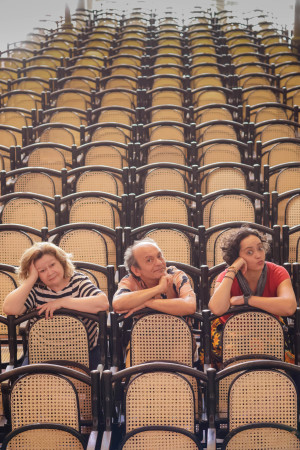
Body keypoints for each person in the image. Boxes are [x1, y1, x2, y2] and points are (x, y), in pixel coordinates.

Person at [3, 242, 109, 370]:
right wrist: (31, 279)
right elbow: (9, 308)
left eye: (52, 265)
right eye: (42, 270)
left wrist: (62, 302)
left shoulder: (78, 281)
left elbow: (103, 303)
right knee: (24, 387)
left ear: (62, 262)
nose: (50, 272)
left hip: (85, 353)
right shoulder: (36, 289)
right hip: (42, 354)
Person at [208, 226, 297, 365]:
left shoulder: (278, 272)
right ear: (237, 257)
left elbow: (290, 307)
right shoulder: (227, 276)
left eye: (260, 248)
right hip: (232, 331)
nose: (258, 255)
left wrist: (248, 300)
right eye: (249, 252)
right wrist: (233, 268)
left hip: (269, 328)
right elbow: (217, 309)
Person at [113, 237, 197, 318]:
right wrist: (159, 288)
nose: (159, 263)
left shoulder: (175, 275)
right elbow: (117, 304)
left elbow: (190, 305)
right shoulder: (130, 281)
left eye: (159, 256)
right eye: (149, 260)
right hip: (142, 332)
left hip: (180, 331)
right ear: (136, 270)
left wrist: (147, 303)